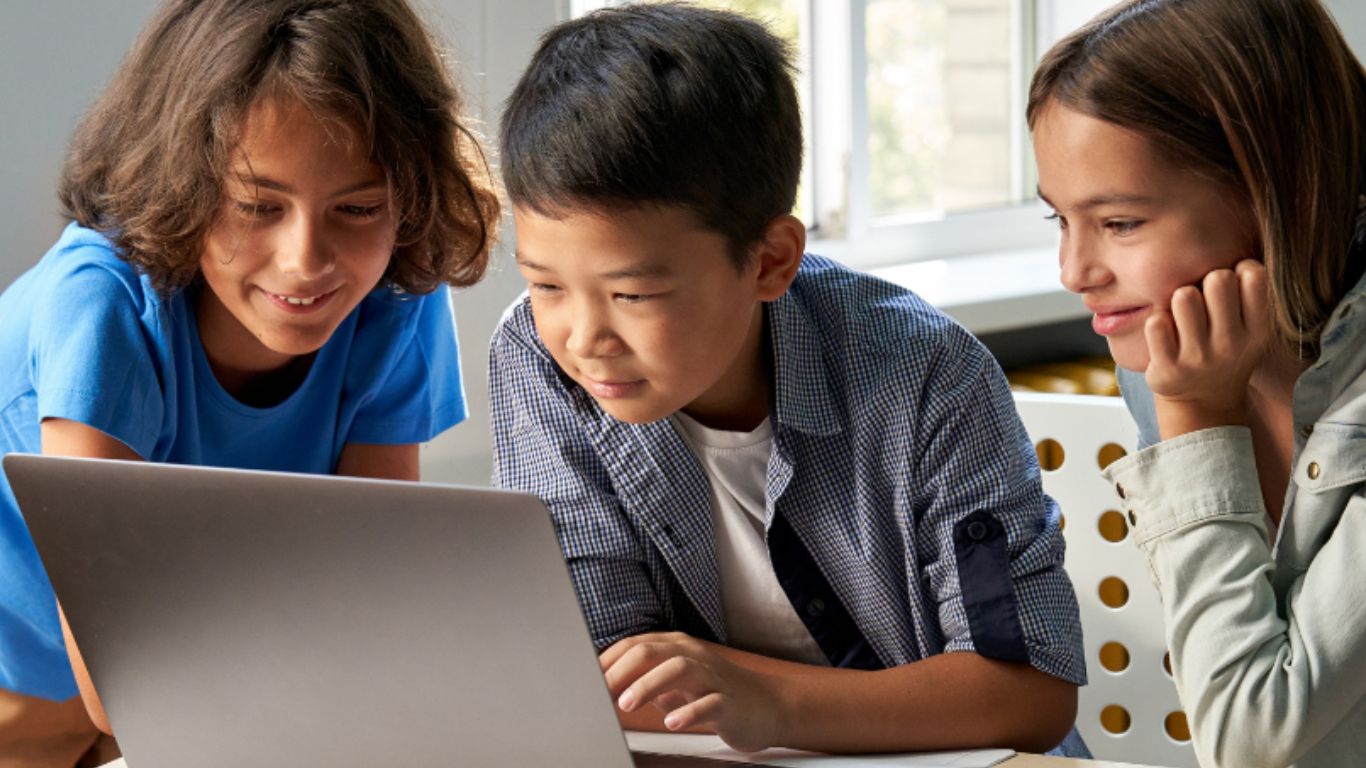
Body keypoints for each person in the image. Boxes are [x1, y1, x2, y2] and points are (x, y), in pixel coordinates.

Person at [490, 2, 1088, 757]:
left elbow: (1029, 693)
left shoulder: (926, 374)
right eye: (546, 285)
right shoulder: (535, 358)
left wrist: (766, 700)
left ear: (771, 260)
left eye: (632, 294)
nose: (582, 337)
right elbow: (597, 679)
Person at [0, 0, 499, 764]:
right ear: (184, 183)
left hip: (191, 677)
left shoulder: (395, 291)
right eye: (258, 206)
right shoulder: (101, 306)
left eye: (359, 207)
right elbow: (126, 687)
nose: (306, 261)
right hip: (33, 693)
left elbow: (368, 585)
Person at [1029, 1, 1366, 765]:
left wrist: (1197, 420)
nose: (1074, 272)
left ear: (1280, 192)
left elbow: (1251, 738)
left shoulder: (1182, 387)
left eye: (1119, 224)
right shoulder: (1168, 361)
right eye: (1060, 221)